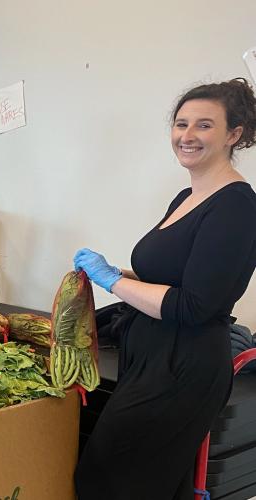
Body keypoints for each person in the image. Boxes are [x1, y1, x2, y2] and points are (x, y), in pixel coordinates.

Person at [73, 78, 256, 499]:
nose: (186, 136)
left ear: (234, 134)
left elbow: (192, 305)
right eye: (180, 123)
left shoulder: (235, 206)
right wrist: (116, 271)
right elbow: (172, 279)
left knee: (107, 481)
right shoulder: (185, 197)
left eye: (204, 125)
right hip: (151, 356)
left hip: (184, 367)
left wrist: (113, 282)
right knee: (149, 484)